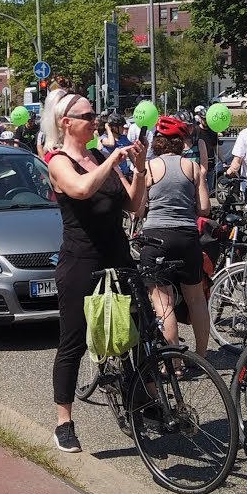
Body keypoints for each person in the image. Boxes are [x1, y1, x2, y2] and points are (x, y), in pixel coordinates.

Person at [44, 89, 147, 453]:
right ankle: (64, 422)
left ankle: (144, 399)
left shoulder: (100, 154)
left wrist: (138, 167)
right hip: (81, 260)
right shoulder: (57, 159)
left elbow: (134, 205)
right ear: (65, 122)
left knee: (140, 327)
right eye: (88, 116)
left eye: (95, 115)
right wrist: (112, 159)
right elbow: (82, 190)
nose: (95, 121)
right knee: (72, 340)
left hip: (116, 254)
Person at [142, 116, 211, 368]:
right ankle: (202, 357)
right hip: (186, 236)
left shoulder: (149, 168)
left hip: (156, 236)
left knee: (164, 302)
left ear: (158, 142)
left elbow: (138, 209)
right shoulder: (193, 168)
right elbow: (204, 208)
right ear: (181, 142)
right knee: (195, 298)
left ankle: (174, 364)